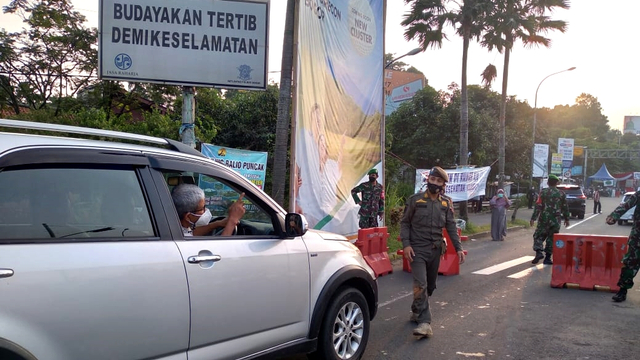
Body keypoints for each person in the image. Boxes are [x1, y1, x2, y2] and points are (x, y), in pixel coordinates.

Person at [400, 166, 466, 339]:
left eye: (438, 181)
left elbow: (451, 226)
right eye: (432, 179)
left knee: (430, 286)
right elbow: (405, 223)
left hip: (436, 250)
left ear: (443, 185)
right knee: (420, 284)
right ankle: (425, 323)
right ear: (428, 180)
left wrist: (458, 248)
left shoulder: (446, 203)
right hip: (417, 249)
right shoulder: (415, 200)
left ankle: (416, 310)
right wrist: (406, 244)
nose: (434, 183)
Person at [171, 184, 245, 236]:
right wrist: (232, 221)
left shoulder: (173, 226)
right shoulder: (177, 237)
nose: (206, 210)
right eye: (202, 208)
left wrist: (217, 224)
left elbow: (191, 234)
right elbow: (221, 250)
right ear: (188, 216)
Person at [605, 191, 640, 302]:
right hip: (638, 237)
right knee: (630, 263)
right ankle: (622, 290)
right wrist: (614, 216)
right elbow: (627, 204)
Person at [529, 174, 570, 265]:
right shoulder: (561, 194)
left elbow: (538, 206)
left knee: (538, 236)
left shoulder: (543, 192)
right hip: (555, 220)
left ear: (548, 183)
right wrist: (567, 219)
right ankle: (547, 258)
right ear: (557, 183)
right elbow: (565, 207)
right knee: (552, 238)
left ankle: (539, 252)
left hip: (544, 219)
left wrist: (533, 218)